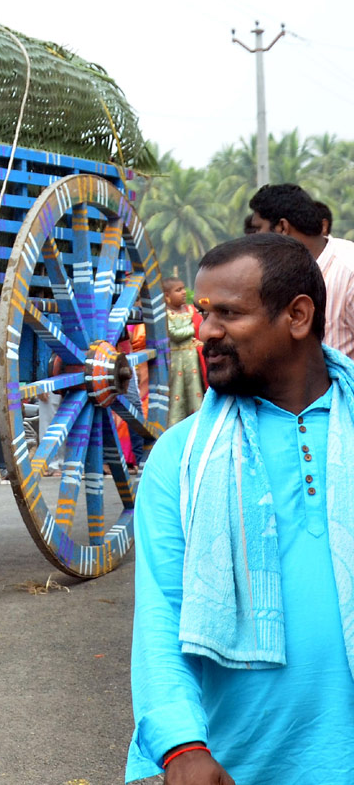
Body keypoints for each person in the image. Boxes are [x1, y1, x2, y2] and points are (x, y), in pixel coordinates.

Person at [127, 233, 354, 784]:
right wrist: (181, 747)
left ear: (298, 316)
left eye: (229, 313)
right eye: (204, 313)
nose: (206, 332)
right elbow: (161, 614)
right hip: (237, 767)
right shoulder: (180, 459)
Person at [248, 183, 354, 359]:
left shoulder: (348, 272)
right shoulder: (279, 273)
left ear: (282, 228)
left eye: (258, 229)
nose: (253, 238)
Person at [163, 276, 205, 426]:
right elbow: (174, 333)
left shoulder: (190, 310)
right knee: (177, 393)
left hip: (193, 359)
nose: (183, 292)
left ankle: (199, 423)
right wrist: (193, 328)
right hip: (176, 359)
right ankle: (175, 426)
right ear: (167, 296)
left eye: (183, 289)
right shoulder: (166, 314)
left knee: (196, 390)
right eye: (178, 290)